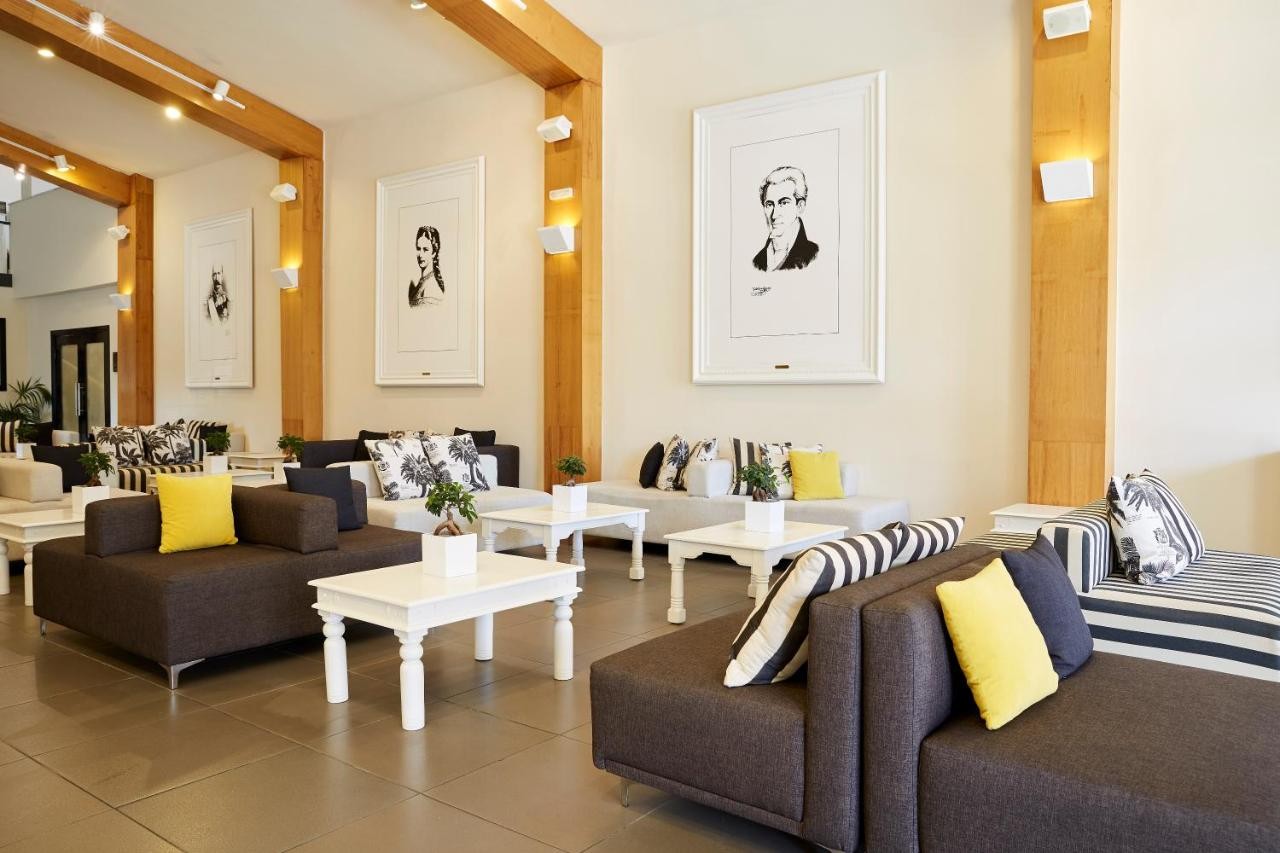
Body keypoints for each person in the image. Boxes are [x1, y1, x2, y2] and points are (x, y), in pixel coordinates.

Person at [752, 166, 820, 272]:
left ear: (800, 207)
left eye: (784, 203)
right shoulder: (758, 261)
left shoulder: (813, 255)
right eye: (769, 204)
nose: (774, 215)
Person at [409, 225, 445, 307]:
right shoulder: (421, 283)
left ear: (434, 253)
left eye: (425, 249)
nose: (420, 255)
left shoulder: (430, 287)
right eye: (418, 248)